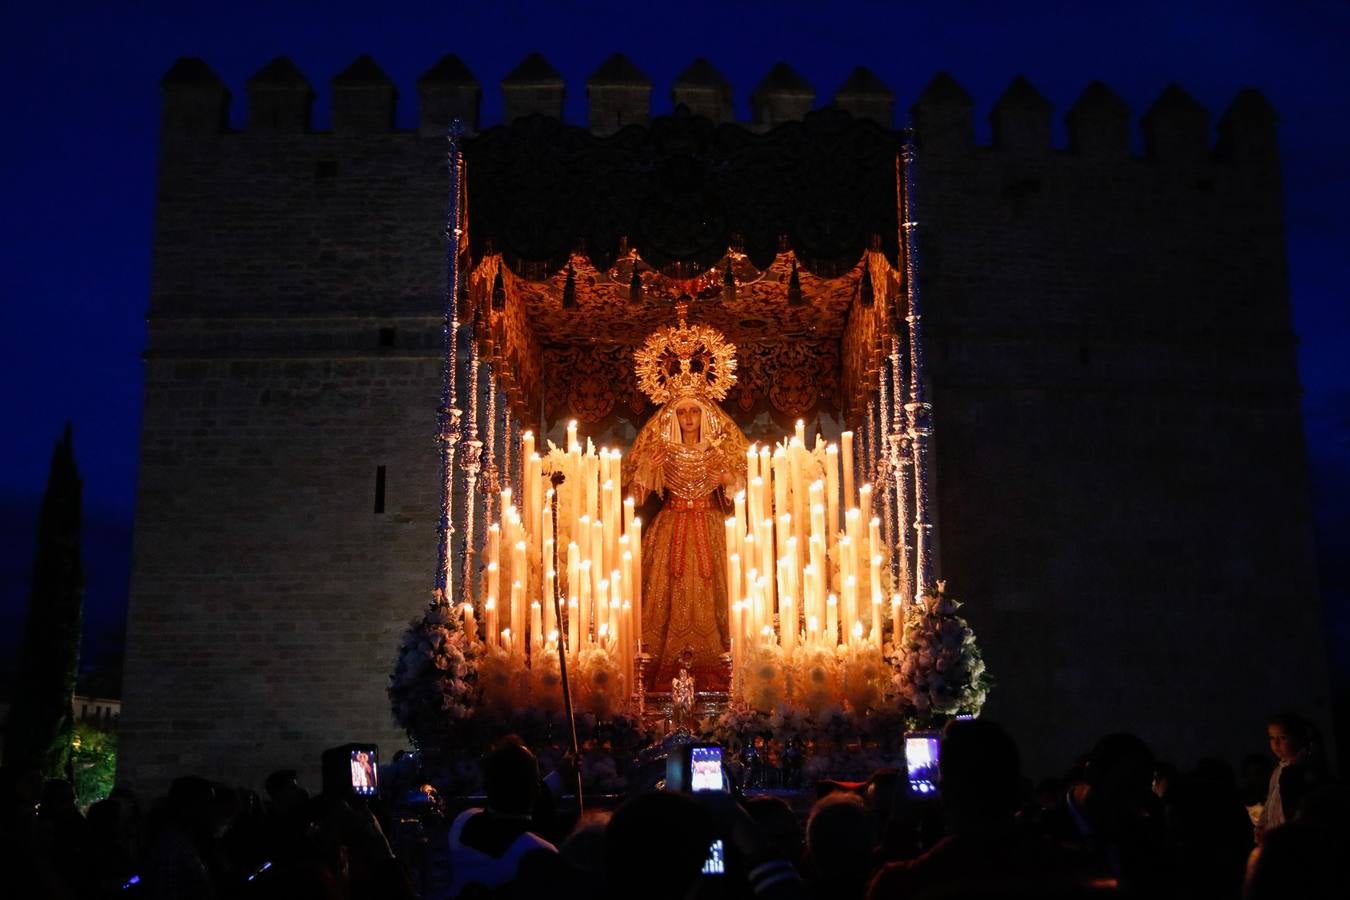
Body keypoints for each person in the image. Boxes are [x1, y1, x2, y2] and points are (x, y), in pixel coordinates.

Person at [625, 329, 748, 691]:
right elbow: (635, 496)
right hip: (671, 525)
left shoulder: (718, 452)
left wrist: (727, 476)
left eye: (696, 411)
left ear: (705, 415)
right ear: (674, 417)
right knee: (664, 596)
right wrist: (647, 468)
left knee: (717, 594)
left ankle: (721, 670)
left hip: (711, 525)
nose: (690, 418)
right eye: (684, 412)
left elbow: (743, 490)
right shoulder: (662, 452)